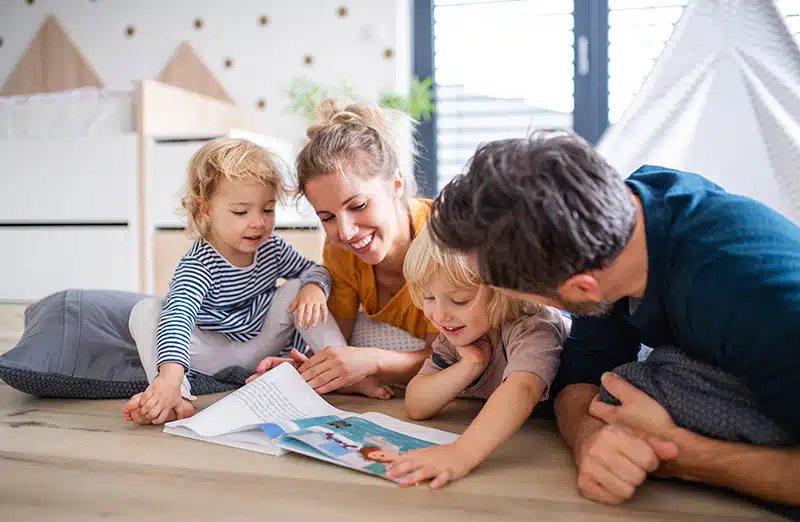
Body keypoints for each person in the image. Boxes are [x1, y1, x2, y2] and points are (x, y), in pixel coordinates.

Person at [426, 130, 800, 514]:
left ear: (582, 290)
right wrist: (590, 442)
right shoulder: (610, 234)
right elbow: (578, 380)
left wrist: (685, 456)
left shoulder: (752, 295)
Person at [122, 138, 364, 425]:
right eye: (241, 212)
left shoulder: (270, 247)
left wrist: (313, 287)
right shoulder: (199, 265)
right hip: (210, 352)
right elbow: (178, 319)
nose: (258, 223)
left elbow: (314, 270)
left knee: (301, 287)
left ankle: (341, 367)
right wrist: (171, 376)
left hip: (260, 344)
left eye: (268, 210)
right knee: (146, 311)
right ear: (205, 210)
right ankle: (174, 393)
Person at [251, 99, 440, 395]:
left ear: (396, 185)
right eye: (326, 217)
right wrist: (308, 371)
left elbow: (445, 358)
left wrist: (373, 360)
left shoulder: (440, 239)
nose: (346, 232)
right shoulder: (340, 252)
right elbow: (338, 345)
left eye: (358, 205)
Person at [381, 225, 569, 488]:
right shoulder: (456, 334)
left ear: (504, 291)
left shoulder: (533, 325)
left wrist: (461, 453)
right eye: (429, 297)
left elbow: (524, 388)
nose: (440, 315)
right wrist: (470, 365)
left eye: (459, 301)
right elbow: (416, 404)